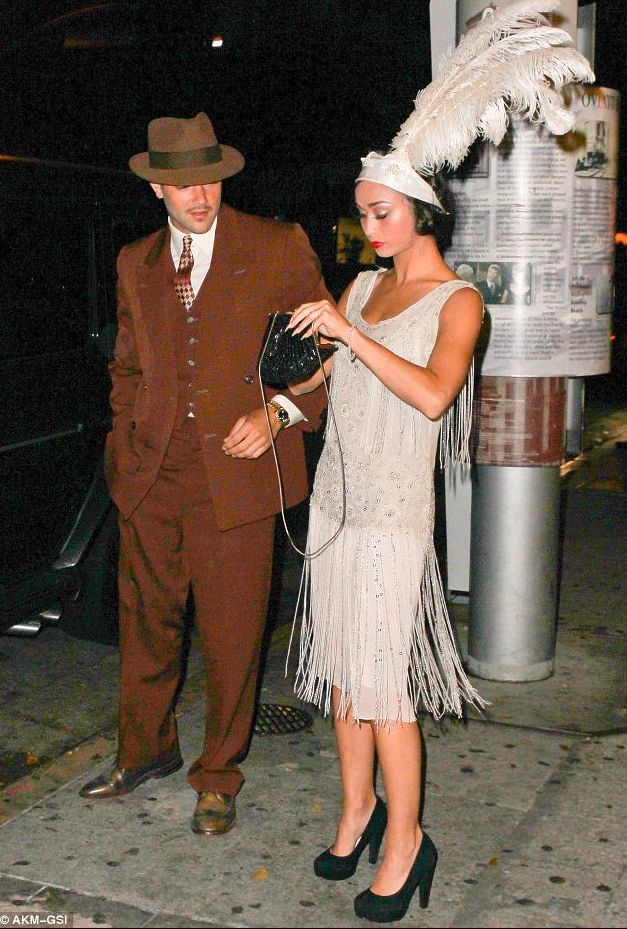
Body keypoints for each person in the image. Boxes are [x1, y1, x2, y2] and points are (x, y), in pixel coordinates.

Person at [79, 112, 329, 837]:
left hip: (239, 475)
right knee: (146, 623)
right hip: (151, 475)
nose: (200, 196)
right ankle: (146, 751)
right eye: (183, 184)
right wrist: (125, 446)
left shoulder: (275, 246)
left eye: (210, 181)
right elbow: (127, 365)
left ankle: (217, 775)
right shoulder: (136, 261)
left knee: (231, 632)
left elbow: (327, 351)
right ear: (157, 186)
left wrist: (279, 413)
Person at [285, 155, 486, 923]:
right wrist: (288, 372)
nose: (367, 228)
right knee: (343, 679)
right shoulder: (364, 287)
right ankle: (357, 810)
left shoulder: (458, 300)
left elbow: (434, 394)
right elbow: (330, 380)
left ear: (423, 213)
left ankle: (406, 839)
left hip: (392, 515)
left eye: (380, 213)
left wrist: (349, 334)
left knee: (383, 691)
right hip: (335, 503)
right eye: (362, 213)